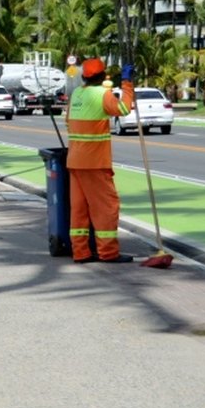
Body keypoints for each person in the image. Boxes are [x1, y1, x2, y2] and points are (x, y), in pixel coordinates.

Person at [65, 58, 135, 263]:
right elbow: (123, 109)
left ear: (84, 77)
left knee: (79, 210)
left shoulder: (77, 94)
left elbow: (68, 121)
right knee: (106, 207)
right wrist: (127, 84)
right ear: (103, 76)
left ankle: (81, 252)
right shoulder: (102, 95)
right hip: (95, 162)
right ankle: (108, 252)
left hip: (75, 160)